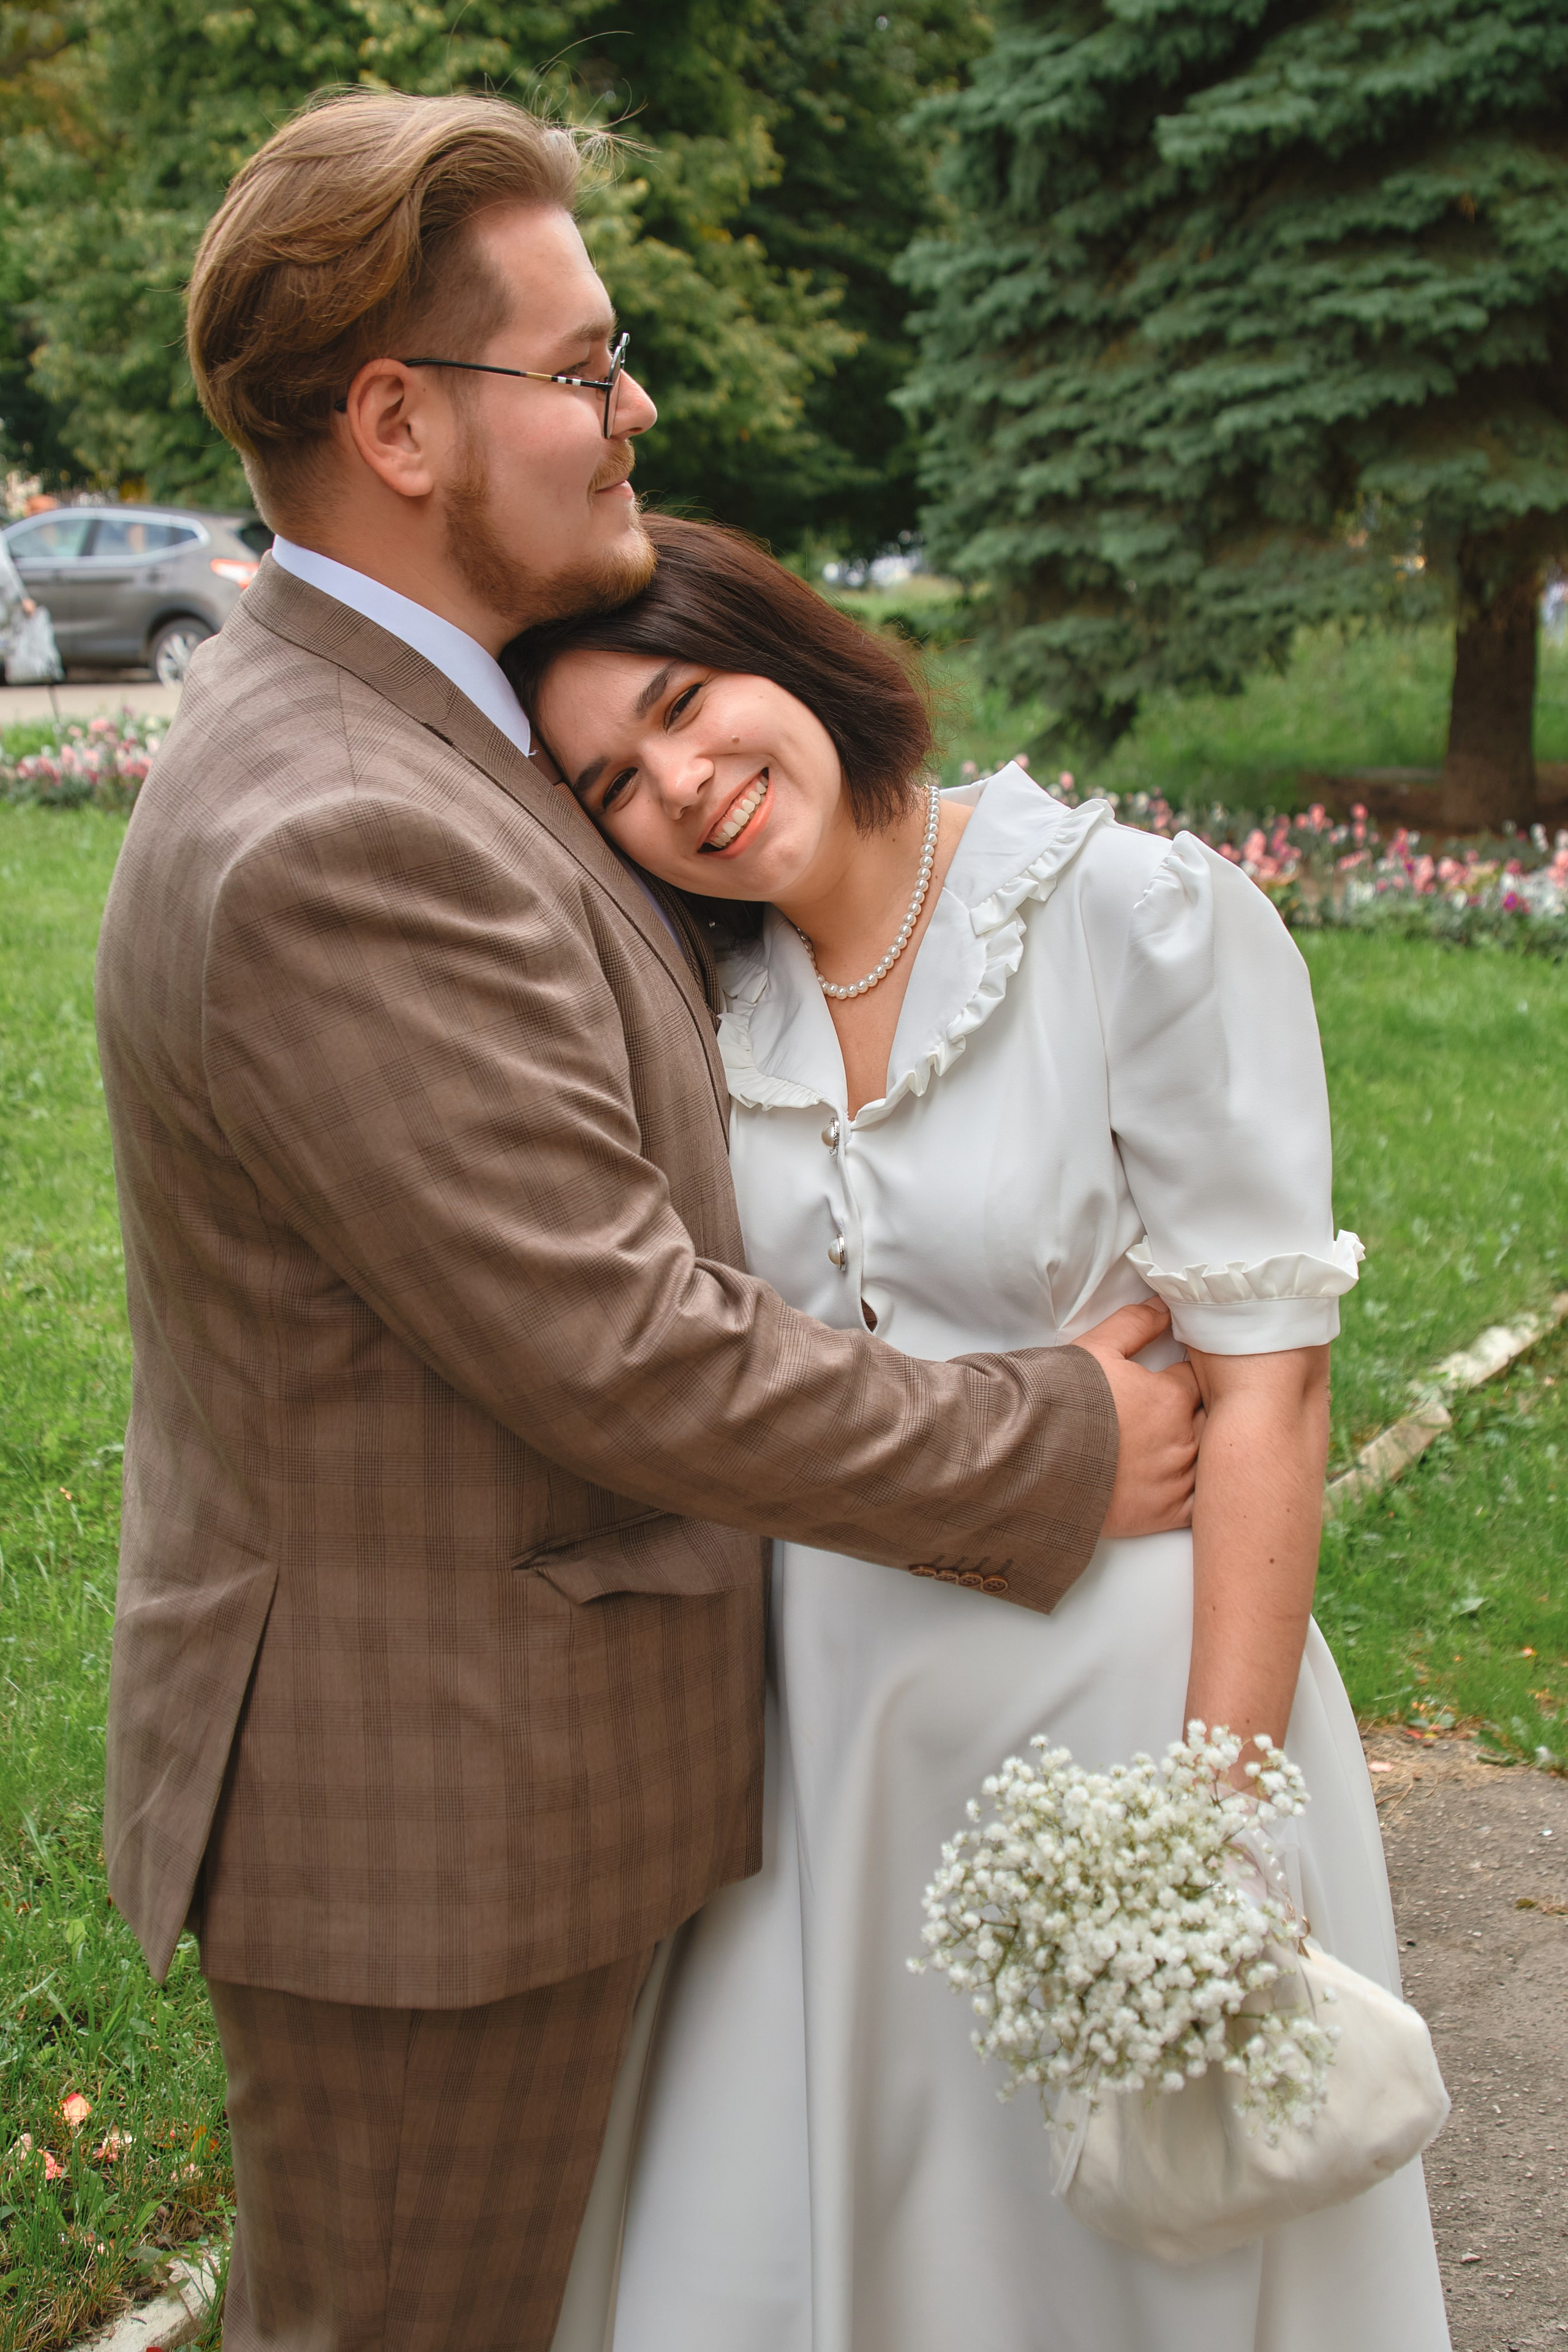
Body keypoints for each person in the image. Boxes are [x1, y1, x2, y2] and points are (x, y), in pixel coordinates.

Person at [92, 89, 1204, 2352]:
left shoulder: (419, 733)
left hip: (513, 1784)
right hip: (428, 1830)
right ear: (399, 422)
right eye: (584, 365)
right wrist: (1059, 1442)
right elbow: (624, 1346)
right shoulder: (337, 827)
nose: (636, 408)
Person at [509, 515, 1452, 2352]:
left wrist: (1219, 1816)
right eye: (618, 780)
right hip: (820, 1758)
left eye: (695, 704)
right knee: (764, 2265)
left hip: (1120, 1732)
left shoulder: (1131, 918)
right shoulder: (703, 1011)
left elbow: (1271, 1383)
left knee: (1118, 2262)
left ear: (793, 651)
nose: (685, 787)